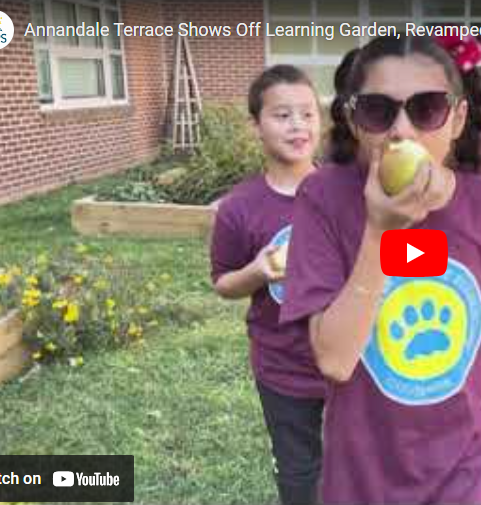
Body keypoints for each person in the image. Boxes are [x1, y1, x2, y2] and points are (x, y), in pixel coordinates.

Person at [280, 36, 481, 505]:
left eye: (427, 109)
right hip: (364, 477)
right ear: (352, 119)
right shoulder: (323, 199)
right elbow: (336, 360)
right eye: (379, 111)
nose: (401, 130)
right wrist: (381, 231)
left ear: (459, 118)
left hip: (467, 470)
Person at [209, 64, 324, 505]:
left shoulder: (349, 192)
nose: (298, 125)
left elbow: (397, 253)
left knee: (359, 463)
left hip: (355, 362)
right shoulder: (239, 209)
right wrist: (257, 271)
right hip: (284, 368)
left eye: (308, 113)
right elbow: (223, 283)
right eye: (282, 115)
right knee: (299, 474)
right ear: (256, 125)